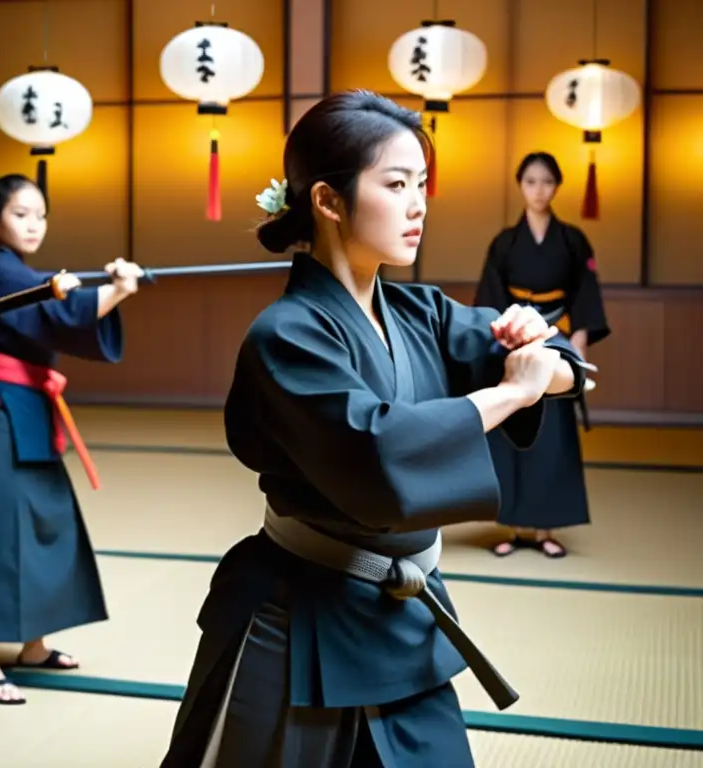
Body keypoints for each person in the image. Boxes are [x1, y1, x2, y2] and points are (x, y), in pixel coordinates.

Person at [159, 91, 589, 768]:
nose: (418, 204)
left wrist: (538, 346)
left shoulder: (424, 312)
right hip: (300, 617)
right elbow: (379, 452)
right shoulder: (287, 335)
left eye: (422, 184)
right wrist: (511, 390)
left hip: (408, 617)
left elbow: (570, 370)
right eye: (396, 185)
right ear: (328, 200)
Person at [0, 173, 144, 705]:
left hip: (28, 410)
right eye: (20, 213)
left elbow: (60, 315)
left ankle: (32, 645)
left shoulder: (24, 275)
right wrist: (114, 289)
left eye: (40, 214)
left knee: (45, 526)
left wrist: (103, 292)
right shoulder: (1, 275)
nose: (32, 223)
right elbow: (61, 311)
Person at [475, 152, 610, 559]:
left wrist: (579, 344)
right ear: (520, 185)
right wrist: (503, 340)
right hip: (514, 339)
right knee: (513, 428)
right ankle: (515, 528)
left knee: (553, 437)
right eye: (531, 181)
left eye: (546, 182)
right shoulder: (504, 242)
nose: (539, 190)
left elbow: (586, 292)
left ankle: (546, 529)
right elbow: (490, 298)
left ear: (556, 186)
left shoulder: (572, 240)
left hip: (555, 337)